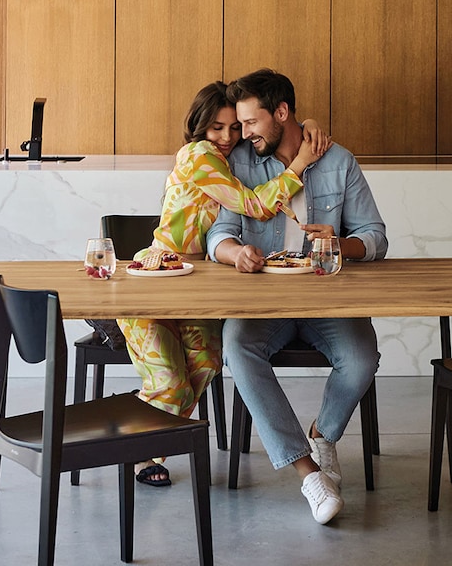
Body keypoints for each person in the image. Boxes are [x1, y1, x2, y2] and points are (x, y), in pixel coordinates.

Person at [118, 80, 331, 487]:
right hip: (157, 274)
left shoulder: (231, 159)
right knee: (169, 382)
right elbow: (255, 206)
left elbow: (273, 128)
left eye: (235, 128)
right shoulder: (200, 155)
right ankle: (135, 449)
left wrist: (309, 123)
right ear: (200, 126)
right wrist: (300, 162)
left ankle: (141, 442)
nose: (229, 137)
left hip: (196, 282)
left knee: (208, 361)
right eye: (217, 127)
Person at [206, 68, 388, 524]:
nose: (242, 134)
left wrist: (339, 244)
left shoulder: (339, 161)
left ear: (282, 113)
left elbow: (376, 237)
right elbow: (218, 236)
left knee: (363, 355)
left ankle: (323, 436)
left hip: (326, 299)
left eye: (250, 123)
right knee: (236, 347)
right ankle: (309, 473)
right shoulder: (240, 165)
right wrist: (235, 253)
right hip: (265, 302)